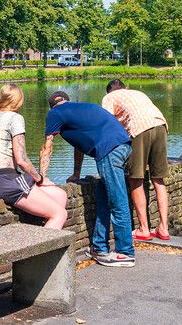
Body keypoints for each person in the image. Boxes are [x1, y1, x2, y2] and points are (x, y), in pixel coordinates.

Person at [39, 90, 135, 267]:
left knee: (117, 201)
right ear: (67, 101)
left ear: (52, 105)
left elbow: (47, 147)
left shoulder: (55, 113)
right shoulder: (79, 110)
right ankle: (99, 247)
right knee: (103, 196)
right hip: (123, 145)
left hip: (109, 150)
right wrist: (76, 173)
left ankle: (125, 252)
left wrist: (41, 179)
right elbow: (80, 144)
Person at [0, 84, 68, 229]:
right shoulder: (15, 118)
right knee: (60, 214)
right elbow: (21, 159)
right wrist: (39, 178)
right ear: (19, 100)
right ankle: (42, 249)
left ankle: (47, 231)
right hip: (8, 181)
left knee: (60, 195)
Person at [102, 79, 170, 241]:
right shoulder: (138, 93)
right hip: (160, 125)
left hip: (139, 129)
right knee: (158, 179)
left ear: (109, 91)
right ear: (125, 87)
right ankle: (164, 228)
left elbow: (106, 123)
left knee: (136, 179)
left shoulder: (109, 98)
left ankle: (144, 229)